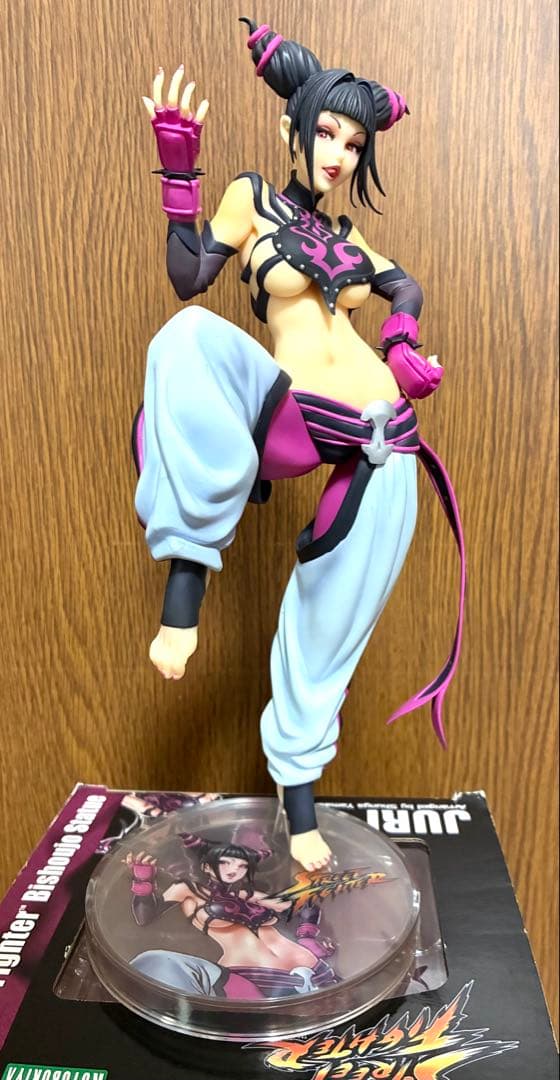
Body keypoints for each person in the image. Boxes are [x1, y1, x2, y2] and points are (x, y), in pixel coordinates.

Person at [133, 19, 465, 872]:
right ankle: (183, 593)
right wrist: (179, 175)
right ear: (295, 127)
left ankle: (302, 807)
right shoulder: (252, 200)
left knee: (327, 630)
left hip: (384, 439)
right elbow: (188, 276)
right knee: (184, 340)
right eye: (328, 133)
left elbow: (404, 285)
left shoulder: (351, 241)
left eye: (355, 143)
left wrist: (400, 340)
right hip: (291, 415)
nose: (340, 154)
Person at [126, 830, 338, 999]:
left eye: (242, 865)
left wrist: (307, 937)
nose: (234, 869)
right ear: (206, 867)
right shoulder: (188, 890)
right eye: (225, 862)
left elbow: (305, 906)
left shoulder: (247, 895)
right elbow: (145, 917)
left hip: (314, 968)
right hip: (253, 977)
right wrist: (143, 881)